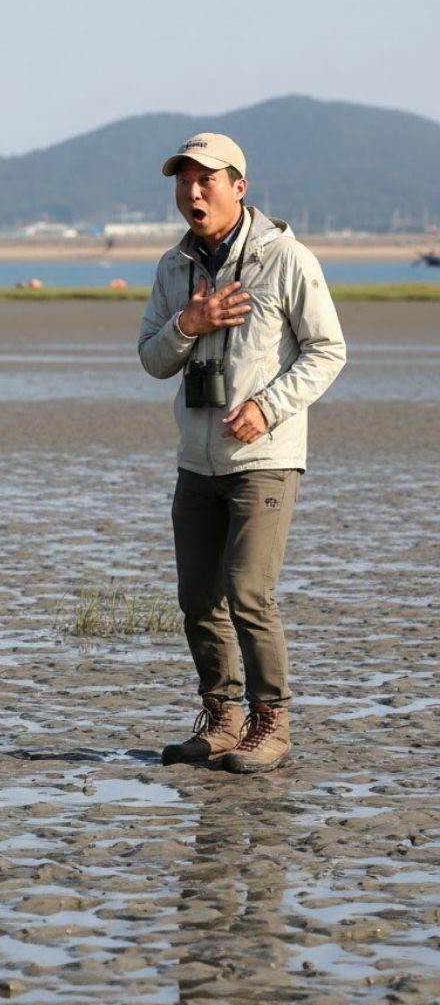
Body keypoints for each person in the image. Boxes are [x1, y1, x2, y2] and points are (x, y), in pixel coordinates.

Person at [138, 133, 346, 773]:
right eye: (183, 181)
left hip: (266, 458)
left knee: (247, 591)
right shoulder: (174, 268)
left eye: (206, 180)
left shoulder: (287, 259)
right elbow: (152, 358)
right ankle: (222, 720)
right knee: (198, 597)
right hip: (194, 461)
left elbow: (328, 351)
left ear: (239, 187)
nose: (192, 193)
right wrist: (187, 327)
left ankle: (271, 724)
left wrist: (268, 406)